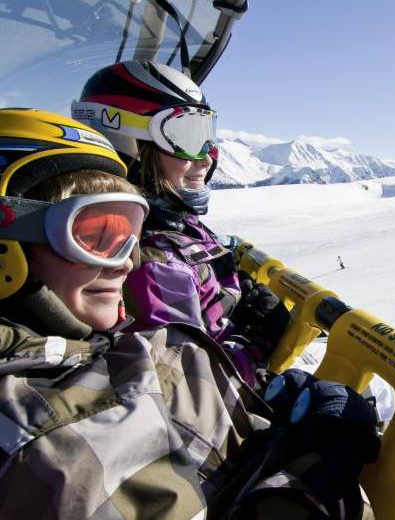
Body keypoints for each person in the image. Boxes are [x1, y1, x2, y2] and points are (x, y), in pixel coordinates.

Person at [0, 109, 381, 519]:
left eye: (131, 234)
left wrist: (265, 407)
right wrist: (323, 456)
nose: (127, 264)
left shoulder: (92, 353)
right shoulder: (56, 446)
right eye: (96, 235)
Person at [72, 61, 290, 388]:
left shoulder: (175, 222)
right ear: (126, 140)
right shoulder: (151, 261)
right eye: (186, 136)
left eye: (206, 135)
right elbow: (188, 386)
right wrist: (253, 340)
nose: (207, 158)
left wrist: (226, 294)